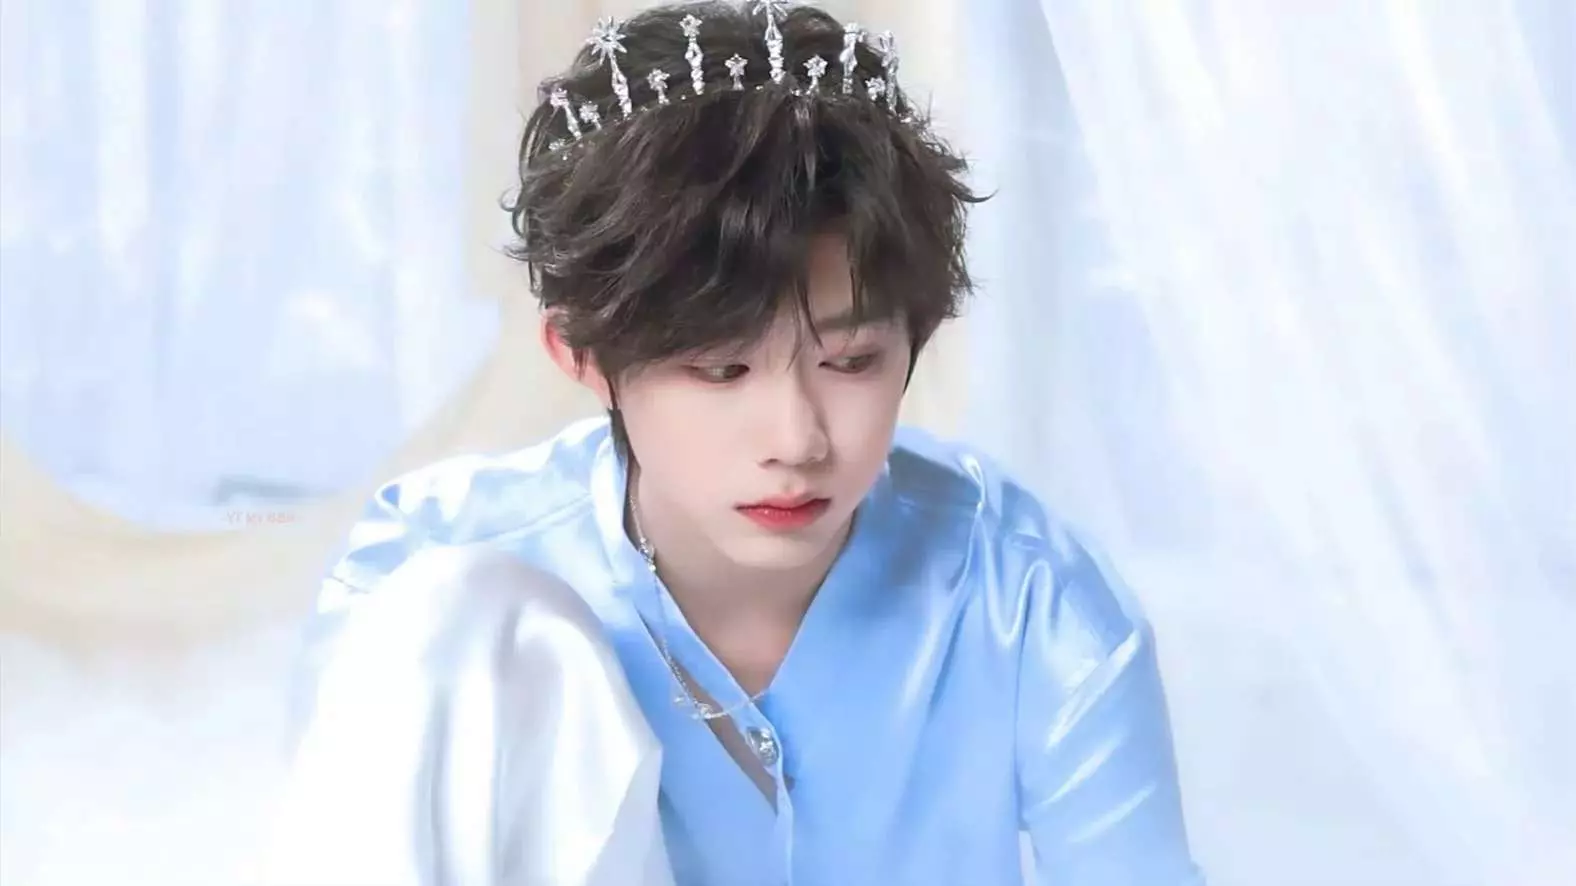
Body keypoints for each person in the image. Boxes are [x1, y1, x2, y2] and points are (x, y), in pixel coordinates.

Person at [270, 3, 1205, 884]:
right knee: (461, 611)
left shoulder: (1027, 598)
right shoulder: (435, 577)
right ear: (583, 357)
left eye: (851, 361)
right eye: (721, 370)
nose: (797, 439)